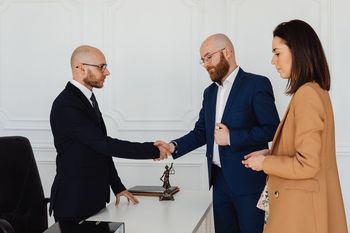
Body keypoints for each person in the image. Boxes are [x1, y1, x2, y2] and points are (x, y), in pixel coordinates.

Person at [156, 34, 280, 233]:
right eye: (203, 60)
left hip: (248, 182)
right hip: (219, 182)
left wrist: (231, 137)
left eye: (209, 57)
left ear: (227, 52)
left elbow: (273, 128)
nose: (206, 64)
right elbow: (201, 132)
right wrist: (173, 147)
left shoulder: (256, 84)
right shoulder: (209, 92)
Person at [242, 19, 348, 233]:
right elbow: (308, 151)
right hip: (304, 208)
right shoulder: (316, 91)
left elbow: (308, 164)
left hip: (300, 214)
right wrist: (271, 152)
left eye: (277, 52)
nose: (273, 61)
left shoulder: (307, 95)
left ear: (298, 50)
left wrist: (266, 163)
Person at [49, 45, 169, 223]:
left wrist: (117, 186)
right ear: (81, 67)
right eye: (101, 67)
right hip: (73, 204)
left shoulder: (86, 98)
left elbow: (100, 150)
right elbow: (105, 144)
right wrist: (153, 150)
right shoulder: (67, 104)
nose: (107, 72)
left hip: (93, 200)